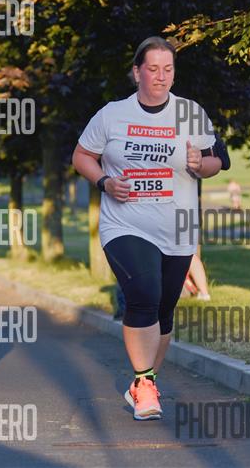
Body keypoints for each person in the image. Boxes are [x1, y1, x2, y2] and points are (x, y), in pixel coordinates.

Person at [72, 36, 222, 421]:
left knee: (164, 310)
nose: (161, 76)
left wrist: (199, 164)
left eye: (168, 69)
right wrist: (105, 181)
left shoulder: (190, 113)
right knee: (143, 293)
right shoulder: (112, 115)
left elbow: (217, 160)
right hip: (125, 223)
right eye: (152, 69)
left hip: (177, 228)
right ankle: (144, 383)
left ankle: (145, 382)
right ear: (137, 71)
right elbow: (82, 155)